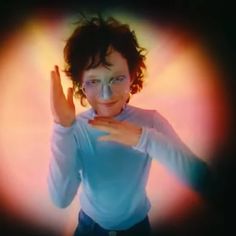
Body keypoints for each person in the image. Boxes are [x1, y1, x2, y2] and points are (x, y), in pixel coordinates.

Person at [48, 15, 211, 236]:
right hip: (89, 227)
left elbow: (200, 177)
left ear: (132, 77)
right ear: (81, 84)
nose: (106, 95)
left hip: (137, 228)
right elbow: (60, 199)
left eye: (117, 78)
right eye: (94, 81)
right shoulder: (75, 128)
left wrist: (143, 138)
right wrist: (62, 127)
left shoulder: (150, 122)